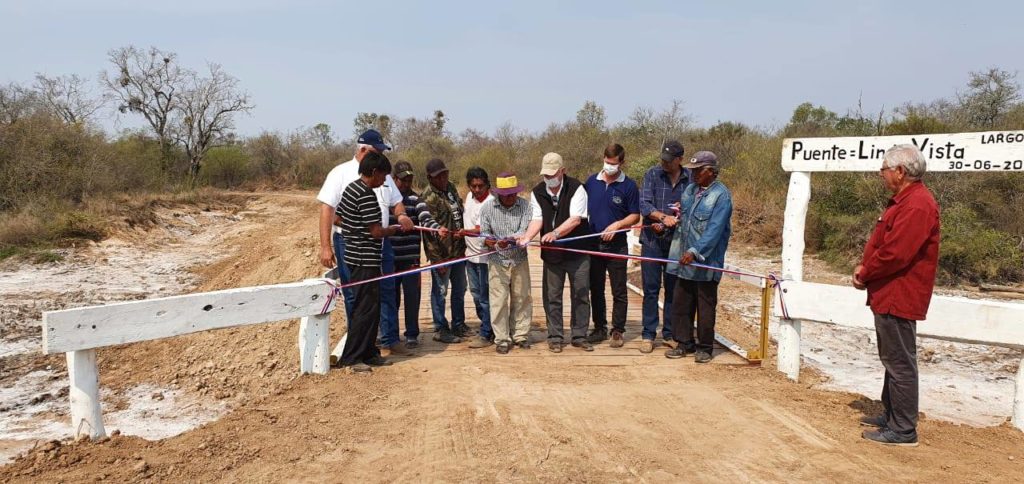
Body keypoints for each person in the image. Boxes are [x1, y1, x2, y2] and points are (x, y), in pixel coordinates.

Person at [853, 144, 939, 447]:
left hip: (899, 294)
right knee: (893, 358)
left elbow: (895, 254)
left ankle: (902, 429)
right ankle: (892, 414)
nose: (881, 174)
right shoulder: (906, 201)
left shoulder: (916, 205)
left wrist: (865, 272)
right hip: (890, 292)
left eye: (884, 169)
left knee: (900, 362)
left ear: (900, 172)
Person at [316, 129, 413, 323]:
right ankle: (358, 342)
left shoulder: (383, 174)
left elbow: (396, 201)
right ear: (363, 150)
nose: (381, 156)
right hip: (351, 243)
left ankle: (389, 339)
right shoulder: (340, 173)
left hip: (381, 243)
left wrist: (401, 216)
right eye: (377, 152)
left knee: (386, 288)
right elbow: (328, 211)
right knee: (354, 292)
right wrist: (326, 247)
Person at [336, 151, 402, 372]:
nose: (384, 181)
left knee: (371, 307)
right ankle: (353, 358)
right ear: (374, 172)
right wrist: (393, 230)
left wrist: (354, 229)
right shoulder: (365, 194)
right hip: (364, 259)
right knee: (365, 308)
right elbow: (375, 232)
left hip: (357, 257)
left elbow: (339, 217)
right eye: (383, 176)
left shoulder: (351, 189)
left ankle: (369, 352)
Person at [664, 151, 732, 364]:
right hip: (683, 261)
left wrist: (694, 252)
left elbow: (714, 230)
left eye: (698, 171)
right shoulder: (690, 190)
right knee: (681, 304)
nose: (693, 175)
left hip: (705, 262)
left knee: (705, 307)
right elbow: (683, 218)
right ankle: (684, 343)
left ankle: (705, 347)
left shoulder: (721, 196)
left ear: (711, 172)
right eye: (692, 170)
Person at [521, 152, 593, 353]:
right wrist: (527, 237)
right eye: (545, 175)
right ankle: (555, 336)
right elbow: (537, 219)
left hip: (577, 253)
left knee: (580, 294)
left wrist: (555, 233)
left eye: (553, 174)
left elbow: (576, 219)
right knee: (552, 295)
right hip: (552, 255)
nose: (549, 178)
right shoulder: (537, 192)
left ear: (562, 171)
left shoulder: (577, 188)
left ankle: (579, 335)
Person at [383, 161, 447, 354]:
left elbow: (426, 218)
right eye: (404, 179)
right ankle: (390, 335)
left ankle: (412, 334)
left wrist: (437, 229)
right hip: (390, 259)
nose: (407, 182)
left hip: (410, 259)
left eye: (410, 179)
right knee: (390, 298)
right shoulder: (386, 200)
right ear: (394, 179)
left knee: (412, 297)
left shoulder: (415, 199)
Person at [584, 143, 640, 348]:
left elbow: (635, 215)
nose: (609, 167)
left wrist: (618, 224)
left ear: (622, 163)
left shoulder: (629, 186)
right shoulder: (591, 182)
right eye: (607, 162)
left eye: (613, 164)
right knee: (596, 287)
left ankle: (618, 330)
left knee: (619, 289)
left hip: (617, 246)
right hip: (593, 243)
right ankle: (599, 327)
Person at [638, 140, 689, 353]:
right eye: (663, 160)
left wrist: (681, 211)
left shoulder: (690, 179)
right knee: (650, 289)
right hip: (652, 241)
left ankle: (669, 333)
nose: (664, 164)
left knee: (673, 289)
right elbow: (644, 204)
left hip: (677, 243)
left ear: (679, 160)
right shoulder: (652, 174)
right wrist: (661, 217)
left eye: (669, 161)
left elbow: (695, 205)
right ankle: (648, 334)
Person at [480, 172, 535, 354]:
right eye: (506, 195)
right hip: (497, 260)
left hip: (519, 258)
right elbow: (484, 235)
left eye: (513, 194)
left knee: (522, 297)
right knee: (499, 300)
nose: (511, 198)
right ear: (499, 194)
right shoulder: (487, 208)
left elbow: (526, 228)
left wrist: (515, 237)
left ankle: (520, 335)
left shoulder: (526, 206)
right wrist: (496, 243)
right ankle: (502, 338)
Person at [421, 158, 473, 344]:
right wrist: (436, 259)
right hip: (442, 254)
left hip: (458, 251)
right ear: (430, 178)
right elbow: (428, 233)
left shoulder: (450, 188)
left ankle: (458, 324)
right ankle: (440, 328)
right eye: (439, 176)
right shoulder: (428, 197)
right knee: (440, 292)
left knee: (460, 289)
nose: (443, 178)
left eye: (445, 174)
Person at [462, 167, 496, 348]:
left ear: (487, 185)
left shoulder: (490, 203)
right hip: (470, 256)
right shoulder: (469, 198)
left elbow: (481, 230)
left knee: (485, 296)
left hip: (486, 258)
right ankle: (486, 325)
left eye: (480, 186)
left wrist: (463, 232)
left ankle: (486, 332)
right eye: (473, 186)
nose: (476, 190)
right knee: (475, 294)